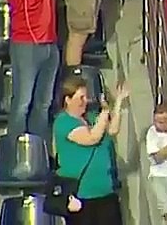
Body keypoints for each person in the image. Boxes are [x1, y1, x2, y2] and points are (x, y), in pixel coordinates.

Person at [5, 0, 87, 143]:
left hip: (49, 44)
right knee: (22, 102)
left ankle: (38, 151)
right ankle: (14, 150)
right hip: (26, 44)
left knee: (43, 102)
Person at [54, 77, 128, 225]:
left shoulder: (91, 117)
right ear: (67, 99)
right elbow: (92, 138)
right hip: (82, 196)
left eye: (86, 97)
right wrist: (104, 113)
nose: (85, 101)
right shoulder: (63, 122)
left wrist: (118, 103)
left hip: (106, 192)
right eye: (81, 97)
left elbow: (112, 130)